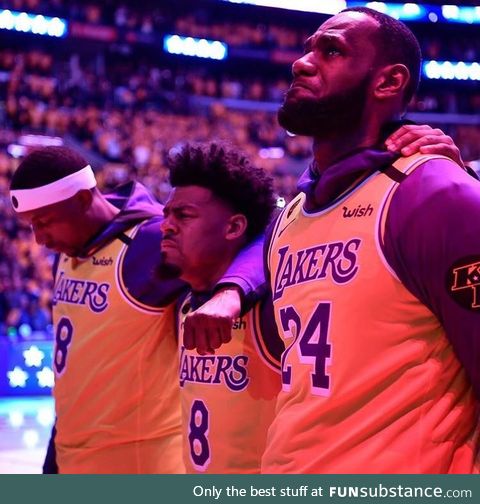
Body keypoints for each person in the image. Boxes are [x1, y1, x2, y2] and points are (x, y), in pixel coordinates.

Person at [263, 7, 480, 473]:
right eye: (307, 50)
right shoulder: (290, 217)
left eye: (332, 50)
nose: (302, 63)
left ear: (387, 82)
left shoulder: (434, 195)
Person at [9, 146, 264, 474]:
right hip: (69, 452)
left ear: (83, 200)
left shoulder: (147, 241)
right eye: (31, 225)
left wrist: (232, 291)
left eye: (45, 222)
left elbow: (262, 241)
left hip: (141, 464)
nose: (39, 238)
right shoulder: (69, 249)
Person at [158, 142, 283, 473]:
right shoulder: (183, 303)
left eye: (183, 215)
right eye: (166, 214)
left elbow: (281, 230)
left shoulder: (275, 306)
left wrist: (233, 292)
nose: (166, 226)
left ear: (233, 227)